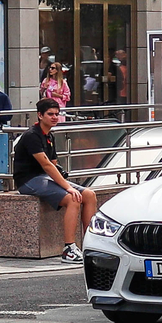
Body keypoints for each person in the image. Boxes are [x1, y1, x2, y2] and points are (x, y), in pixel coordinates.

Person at [14, 99, 96, 263]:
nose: (54, 117)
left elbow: (53, 165)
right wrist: (68, 188)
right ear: (40, 115)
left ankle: (92, 244)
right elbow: (46, 165)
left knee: (89, 195)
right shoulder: (32, 136)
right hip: (28, 180)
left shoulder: (49, 136)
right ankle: (69, 248)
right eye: (50, 114)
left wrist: (65, 182)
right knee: (73, 199)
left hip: (44, 178)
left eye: (57, 114)